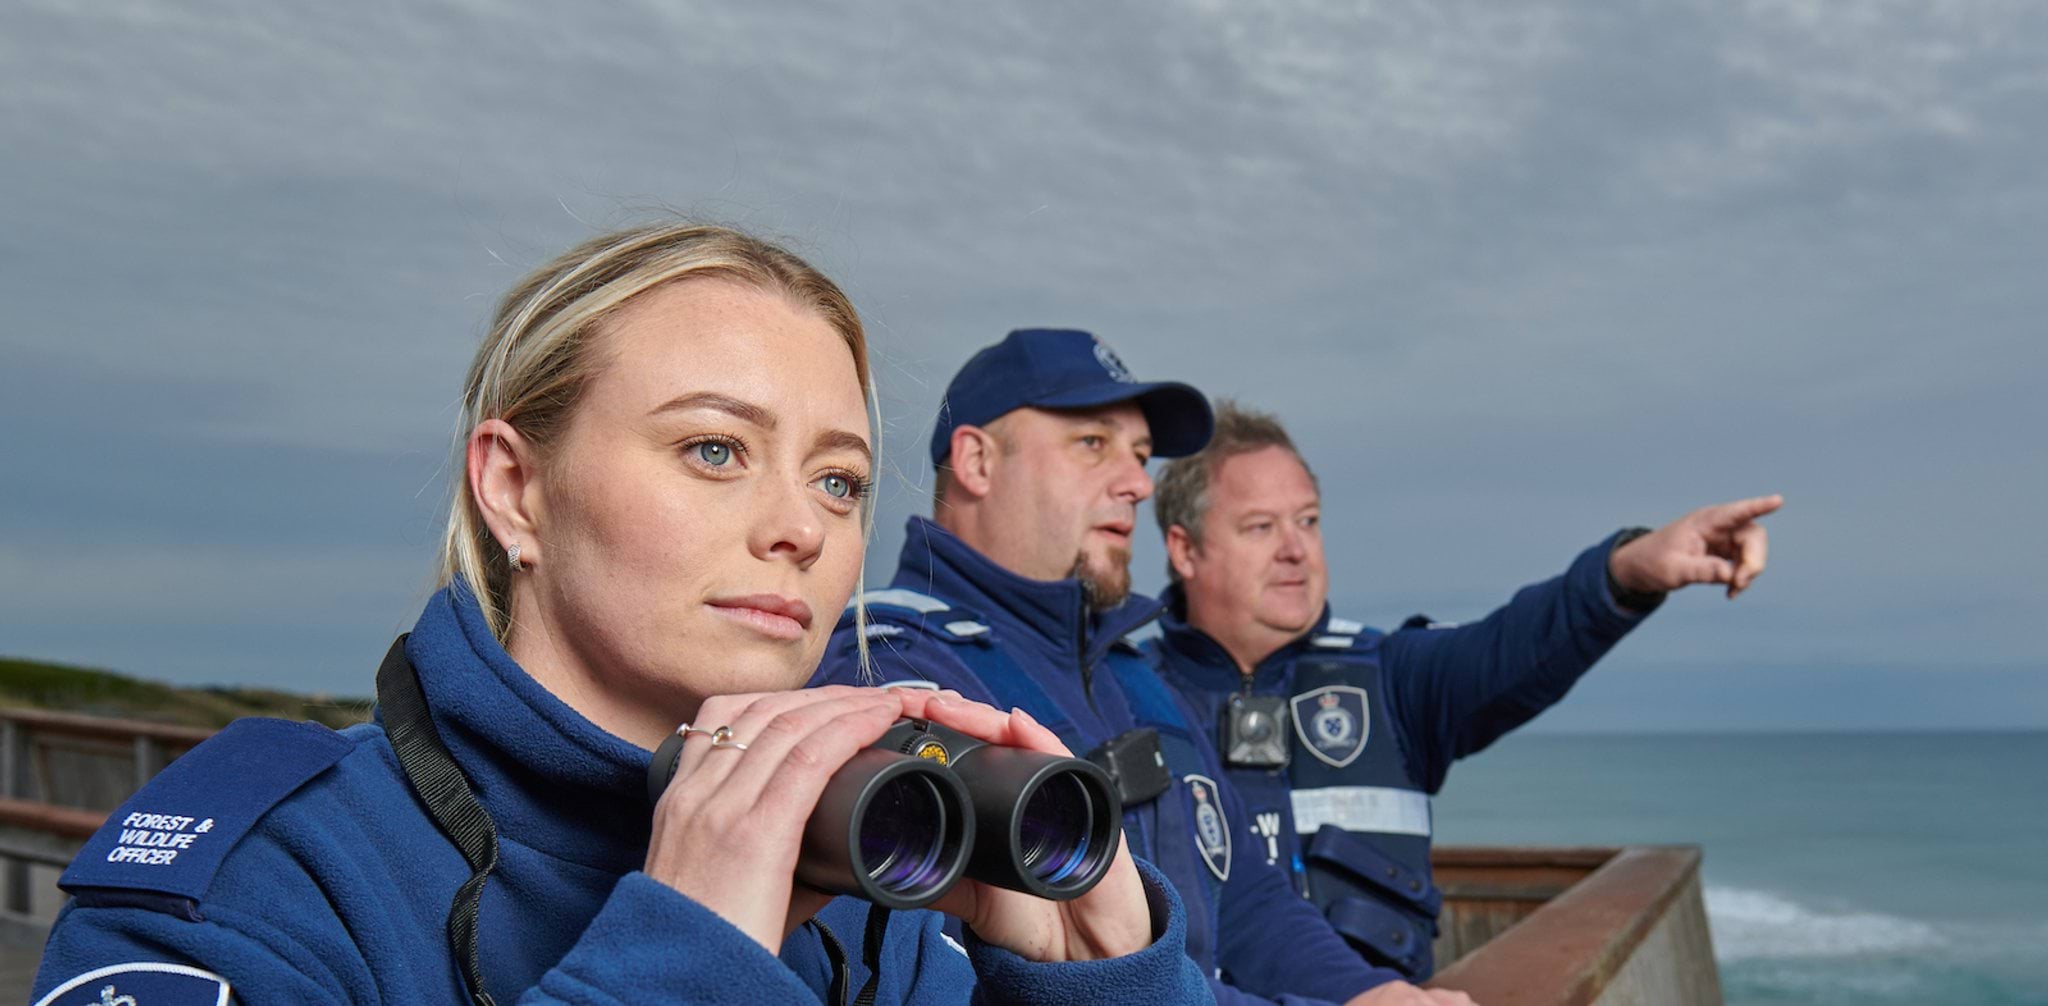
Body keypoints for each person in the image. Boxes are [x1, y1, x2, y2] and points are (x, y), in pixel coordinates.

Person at [32, 225, 1213, 1005]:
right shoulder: (268, 885)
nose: (798, 527)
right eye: (713, 449)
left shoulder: (885, 878)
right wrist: (685, 956)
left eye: (838, 478)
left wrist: (1101, 986)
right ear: (514, 487)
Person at [813, 329, 1474, 1006]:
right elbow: (945, 976)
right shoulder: (890, 671)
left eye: (1138, 456)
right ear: (978, 462)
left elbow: (1245, 897)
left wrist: (1371, 994)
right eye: (1093, 444)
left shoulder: (1135, 674)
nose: (1136, 484)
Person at [1146, 401, 1780, 979]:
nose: (1295, 550)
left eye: (1308, 521)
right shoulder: (1128, 692)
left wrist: (1627, 571)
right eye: (1261, 528)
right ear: (1185, 549)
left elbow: (1518, 643)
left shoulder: (1393, 677)